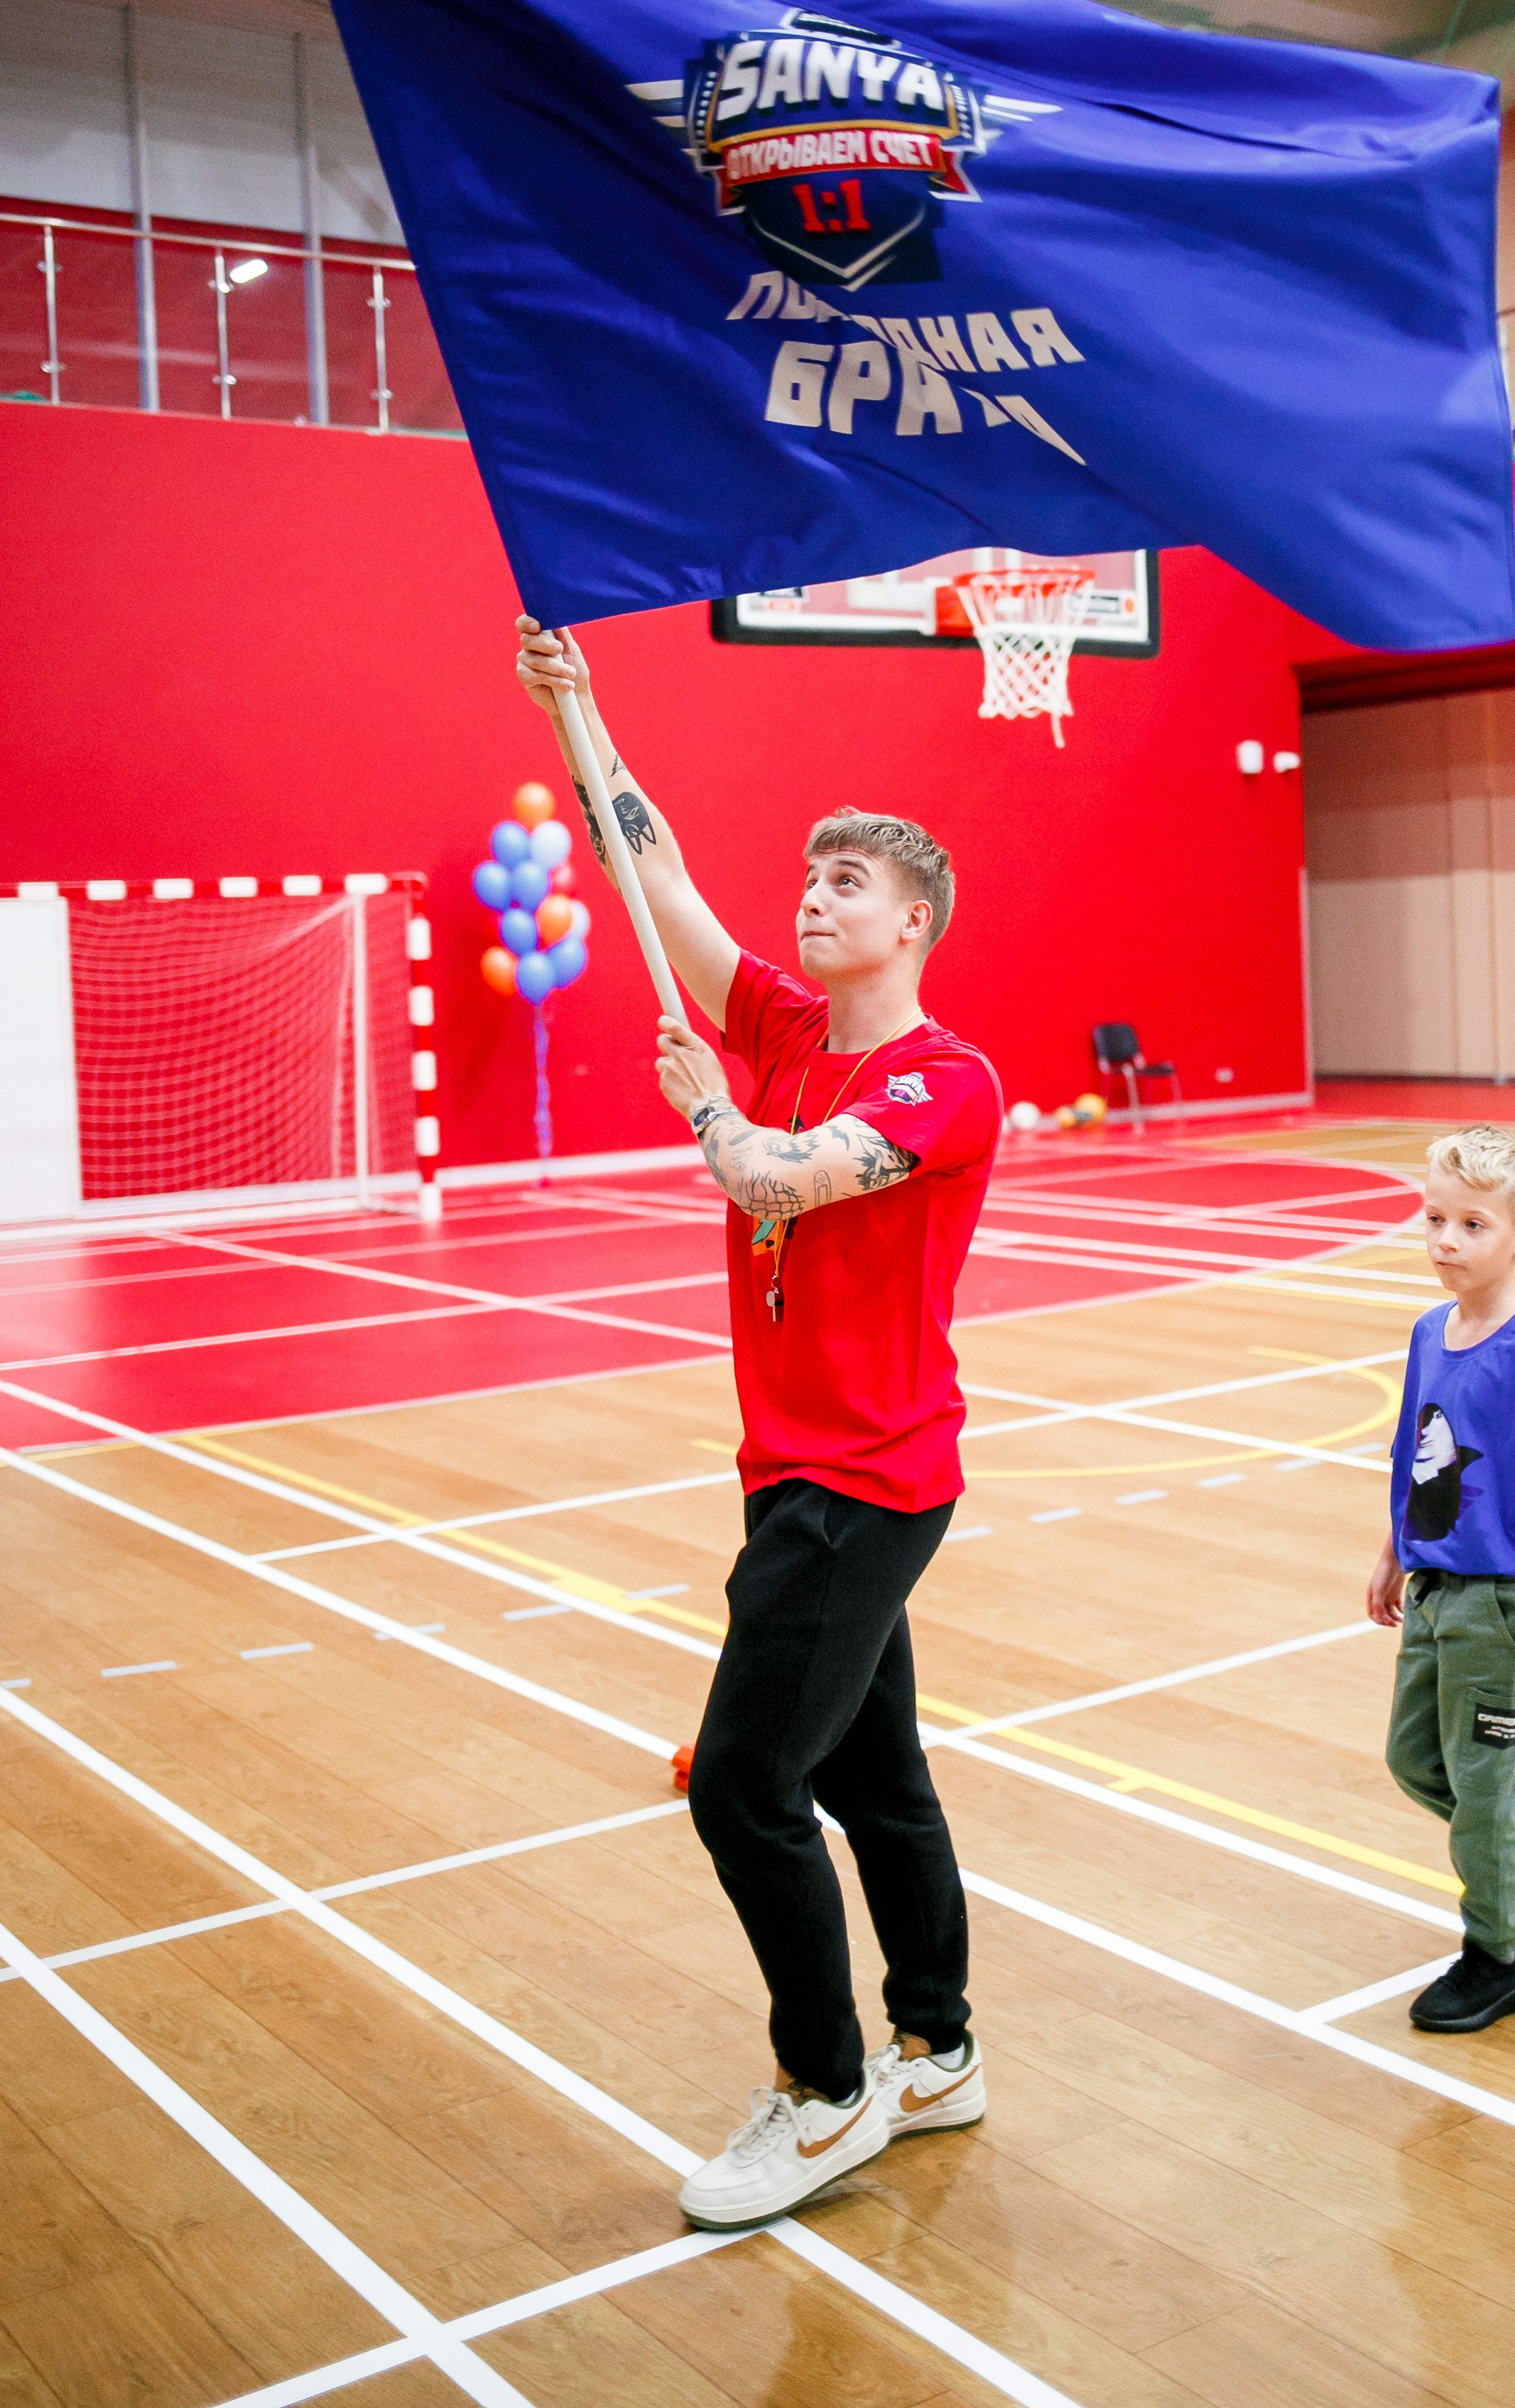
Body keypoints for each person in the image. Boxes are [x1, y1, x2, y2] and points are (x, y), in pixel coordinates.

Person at [515, 615, 1001, 2228]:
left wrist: (706, 1113)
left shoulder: (943, 1080)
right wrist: (584, 715)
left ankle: (826, 2088)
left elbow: (780, 1176)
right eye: (807, 877)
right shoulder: (787, 1026)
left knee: (740, 1785)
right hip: (790, 1465)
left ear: (910, 920)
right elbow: (655, 875)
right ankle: (937, 2049)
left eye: (845, 882)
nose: (811, 897)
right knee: (878, 1778)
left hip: (866, 1480)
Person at [1367, 1125, 1515, 2034]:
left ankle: (1496, 1957)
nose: (1445, 1241)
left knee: (1480, 1790)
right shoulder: (1428, 1332)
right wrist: (1393, 1552)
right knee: (1416, 1762)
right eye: (1435, 1219)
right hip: (1435, 1588)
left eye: (1472, 1224)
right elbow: (1416, 1455)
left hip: (1504, 1605)